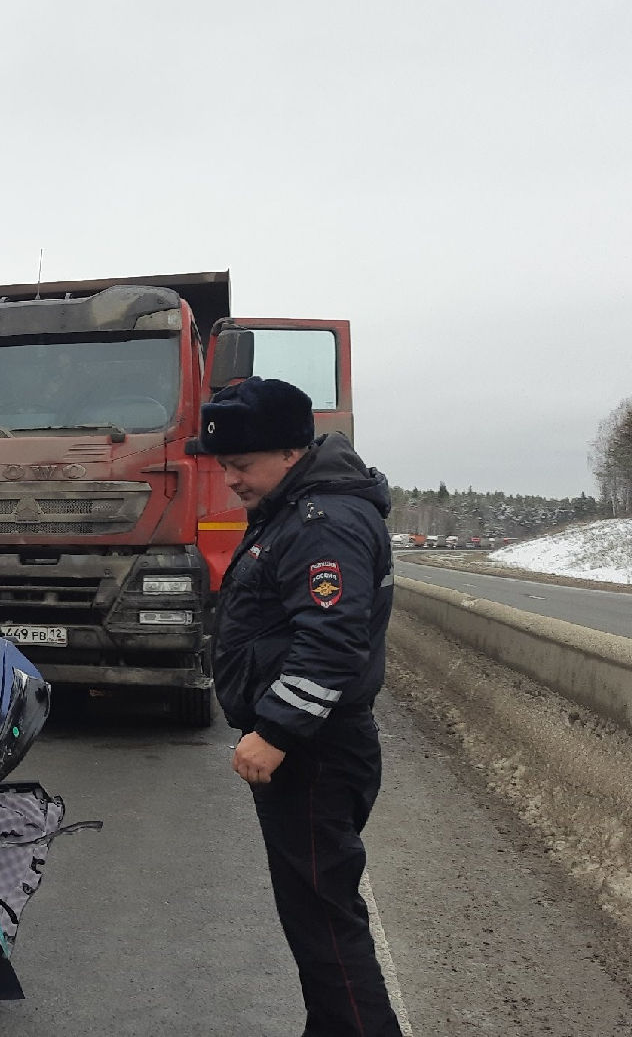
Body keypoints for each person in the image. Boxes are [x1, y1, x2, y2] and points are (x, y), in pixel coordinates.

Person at [201, 376, 401, 1037]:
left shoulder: (325, 521)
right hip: (314, 748)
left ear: (290, 451)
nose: (230, 479)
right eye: (224, 465)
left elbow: (331, 640)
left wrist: (277, 731)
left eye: (241, 464)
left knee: (327, 929)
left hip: (316, 752)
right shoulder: (296, 511)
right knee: (317, 923)